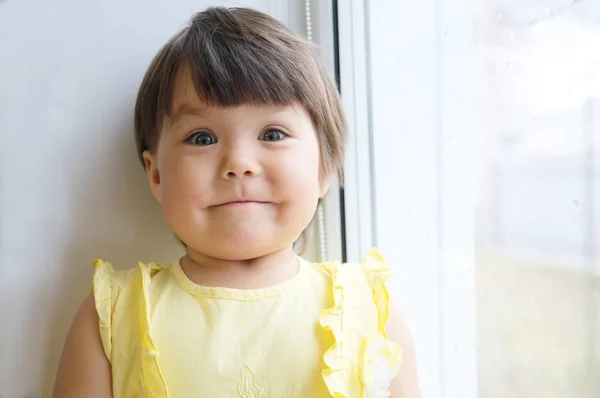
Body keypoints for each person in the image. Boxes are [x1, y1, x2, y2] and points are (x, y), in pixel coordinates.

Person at [53, 6, 420, 398]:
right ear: (155, 173)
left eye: (273, 134)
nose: (239, 164)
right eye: (202, 138)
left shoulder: (372, 315)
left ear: (324, 169)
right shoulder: (110, 317)